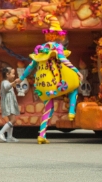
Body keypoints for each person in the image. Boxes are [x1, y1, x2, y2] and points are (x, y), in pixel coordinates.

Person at [19, 15, 82, 144]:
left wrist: (21, 78)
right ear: (59, 35)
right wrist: (77, 71)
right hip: (54, 83)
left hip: (42, 85)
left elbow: (31, 66)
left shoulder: (40, 48)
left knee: (49, 108)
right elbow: (64, 60)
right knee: (75, 85)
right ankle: (71, 111)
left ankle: (42, 135)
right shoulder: (57, 47)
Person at [0, 66, 20, 142]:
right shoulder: (5, 82)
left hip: (10, 104)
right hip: (8, 104)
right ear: (7, 74)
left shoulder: (7, 82)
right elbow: (7, 87)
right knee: (13, 120)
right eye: (12, 74)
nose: (14, 75)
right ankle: (1, 132)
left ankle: (9, 136)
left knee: (11, 120)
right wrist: (15, 82)